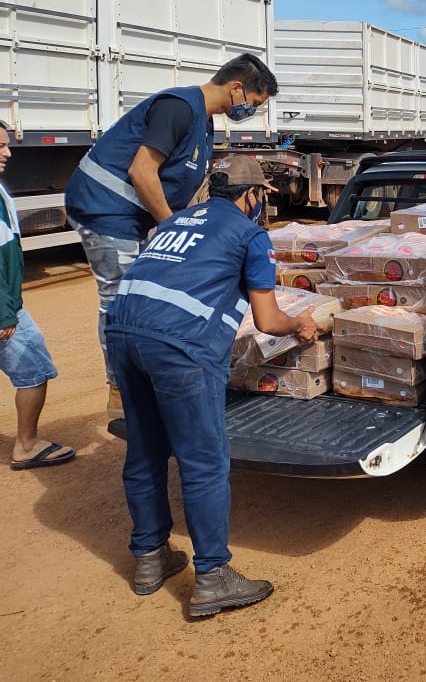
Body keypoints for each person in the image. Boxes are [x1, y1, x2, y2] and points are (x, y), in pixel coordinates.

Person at [105, 155, 317, 617]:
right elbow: (266, 318)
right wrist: (300, 324)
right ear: (253, 195)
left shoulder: (177, 221)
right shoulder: (250, 234)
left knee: (145, 450)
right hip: (178, 347)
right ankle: (213, 577)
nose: (263, 204)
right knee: (203, 461)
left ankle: (149, 557)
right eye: (263, 196)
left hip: (122, 332)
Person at [64, 53, 278, 420]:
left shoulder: (204, 122)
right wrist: (171, 224)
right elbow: (142, 171)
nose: (251, 111)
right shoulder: (178, 107)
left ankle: (153, 368)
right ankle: (121, 386)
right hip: (105, 208)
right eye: (254, 103)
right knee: (121, 293)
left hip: (131, 216)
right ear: (237, 88)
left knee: (155, 286)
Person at [0, 122, 76, 470]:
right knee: (34, 369)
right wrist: (4, 312)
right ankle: (27, 446)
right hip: (4, 307)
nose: (8, 152)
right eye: (0, 146)